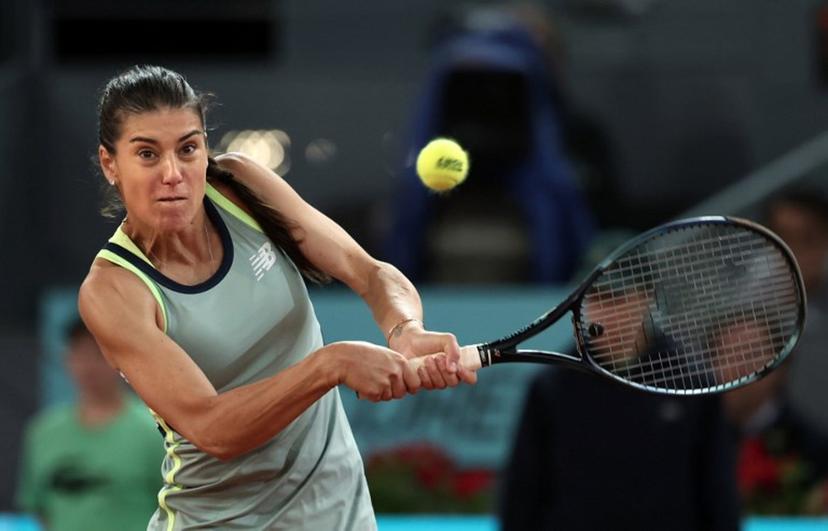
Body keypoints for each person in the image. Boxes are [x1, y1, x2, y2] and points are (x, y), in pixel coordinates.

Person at [78, 65, 476, 530]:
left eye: (188, 148)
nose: (173, 174)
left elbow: (368, 272)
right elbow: (212, 428)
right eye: (147, 154)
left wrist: (405, 329)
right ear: (111, 165)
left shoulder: (239, 187)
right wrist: (331, 364)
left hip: (340, 513)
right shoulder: (113, 292)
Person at [16, 319, 164, 531]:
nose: (89, 366)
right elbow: (39, 508)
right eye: (80, 353)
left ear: (119, 358)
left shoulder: (153, 430)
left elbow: (175, 507)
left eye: (98, 354)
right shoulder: (42, 432)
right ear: (66, 358)